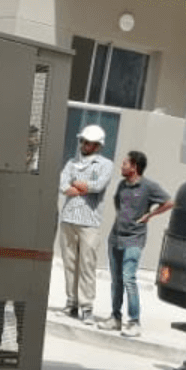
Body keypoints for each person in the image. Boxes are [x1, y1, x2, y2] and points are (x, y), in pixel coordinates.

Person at [95, 150, 173, 335]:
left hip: (134, 239)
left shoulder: (149, 187)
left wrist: (150, 215)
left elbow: (169, 202)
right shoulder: (122, 185)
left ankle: (134, 322)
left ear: (134, 167)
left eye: (125, 164)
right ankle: (115, 318)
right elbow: (118, 205)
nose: (121, 166)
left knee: (129, 278)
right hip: (116, 238)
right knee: (116, 281)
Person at [54, 124, 114, 321]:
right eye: (82, 141)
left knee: (87, 265)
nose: (84, 145)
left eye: (88, 143)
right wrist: (76, 186)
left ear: (97, 146)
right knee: (70, 264)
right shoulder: (72, 163)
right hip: (68, 219)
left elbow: (98, 186)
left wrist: (76, 184)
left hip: (89, 222)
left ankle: (86, 307)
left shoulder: (105, 165)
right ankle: (71, 303)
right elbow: (62, 183)